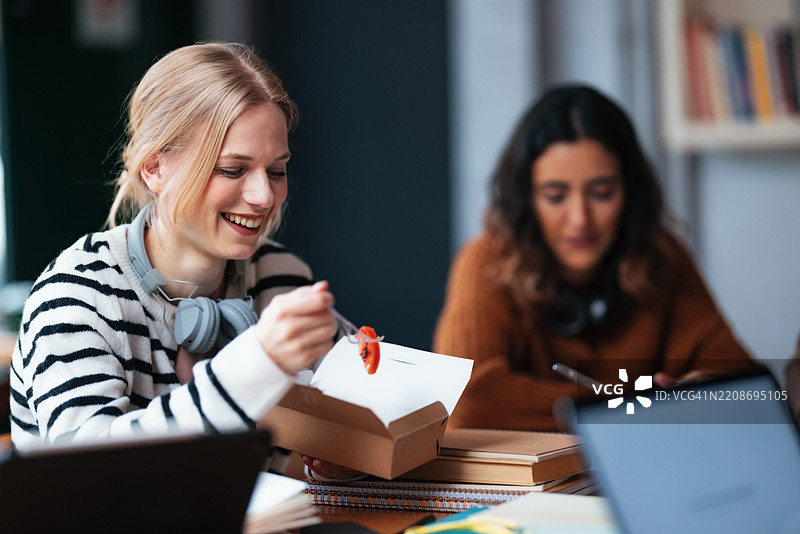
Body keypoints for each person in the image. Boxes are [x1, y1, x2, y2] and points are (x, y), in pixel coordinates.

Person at [9, 42, 356, 479]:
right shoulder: (77, 294)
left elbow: (308, 451)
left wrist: (342, 458)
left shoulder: (280, 276)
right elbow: (88, 474)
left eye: (276, 170)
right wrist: (251, 368)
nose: (264, 196)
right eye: (232, 170)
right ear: (154, 168)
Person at [433, 84, 756, 431]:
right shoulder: (486, 263)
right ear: (526, 200)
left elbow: (745, 386)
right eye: (555, 196)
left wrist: (700, 388)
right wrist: (634, 404)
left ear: (630, 193)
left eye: (602, 193)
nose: (580, 219)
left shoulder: (662, 257)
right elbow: (467, 402)